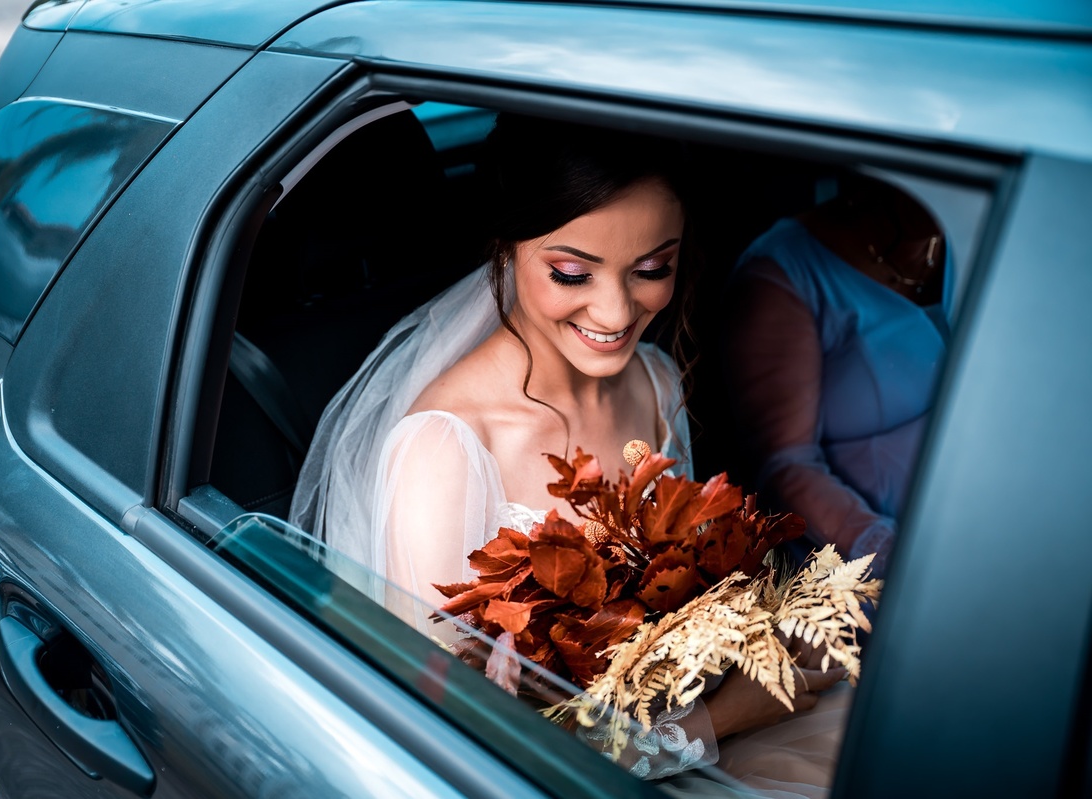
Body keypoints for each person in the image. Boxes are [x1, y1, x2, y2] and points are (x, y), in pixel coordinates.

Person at [290, 112, 847, 795]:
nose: (616, 313)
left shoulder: (655, 380)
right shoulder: (444, 448)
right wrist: (721, 717)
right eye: (572, 273)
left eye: (652, 269)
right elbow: (468, 748)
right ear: (505, 247)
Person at [723, 175, 951, 578]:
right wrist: (887, 551)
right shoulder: (783, 274)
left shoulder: (974, 241)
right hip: (862, 565)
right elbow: (785, 466)